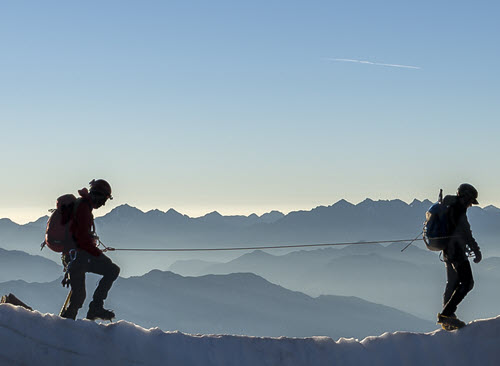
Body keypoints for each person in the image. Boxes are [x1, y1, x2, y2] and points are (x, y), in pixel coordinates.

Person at [60, 179, 120, 321]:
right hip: (78, 257)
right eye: (104, 199)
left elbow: (78, 235)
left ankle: (70, 321)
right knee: (111, 271)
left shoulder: (82, 206)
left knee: (78, 296)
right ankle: (89, 311)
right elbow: (82, 239)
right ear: (98, 195)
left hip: (75, 256)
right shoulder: (83, 209)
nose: (103, 203)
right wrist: (96, 252)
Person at [437, 183, 482, 329]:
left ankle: (448, 317)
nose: (470, 205)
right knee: (468, 282)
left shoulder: (449, 207)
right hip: (456, 252)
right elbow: (467, 234)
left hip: (447, 251)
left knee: (453, 283)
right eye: (470, 201)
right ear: (465, 197)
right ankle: (446, 315)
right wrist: (476, 251)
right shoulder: (458, 211)